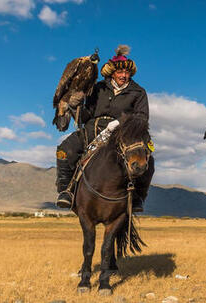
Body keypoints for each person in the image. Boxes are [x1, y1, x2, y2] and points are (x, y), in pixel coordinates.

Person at [55, 45, 150, 212]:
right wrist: (75, 107)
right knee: (64, 149)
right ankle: (66, 191)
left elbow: (142, 117)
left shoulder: (138, 92)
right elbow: (86, 115)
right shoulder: (98, 88)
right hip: (93, 129)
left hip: (124, 133)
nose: (123, 75)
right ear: (112, 72)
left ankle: (137, 198)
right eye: (120, 72)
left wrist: (120, 122)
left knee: (149, 156)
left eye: (127, 73)